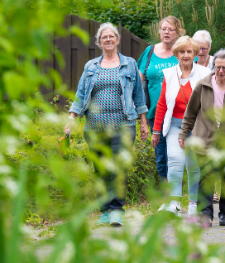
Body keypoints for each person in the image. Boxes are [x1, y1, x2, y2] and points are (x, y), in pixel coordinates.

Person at [65, 23, 149, 227]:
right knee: (101, 169)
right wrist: (71, 118)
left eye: (112, 36)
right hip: (95, 126)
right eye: (105, 37)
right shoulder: (91, 66)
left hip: (124, 123)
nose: (109, 39)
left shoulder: (129, 64)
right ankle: (104, 210)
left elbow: (138, 94)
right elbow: (81, 94)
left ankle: (116, 209)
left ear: (118, 40)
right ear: (99, 41)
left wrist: (144, 122)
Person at [179, 49, 225, 227]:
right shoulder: (203, 85)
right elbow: (190, 113)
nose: (220, 71)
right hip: (205, 138)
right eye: (218, 67)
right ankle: (205, 214)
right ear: (213, 67)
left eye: (224, 68)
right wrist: (183, 134)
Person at [151, 36, 211, 217]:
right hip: (175, 126)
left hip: (198, 126)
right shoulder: (169, 74)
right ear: (176, 54)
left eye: (189, 52)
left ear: (195, 54)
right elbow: (162, 103)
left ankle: (193, 203)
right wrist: (156, 130)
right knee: (174, 161)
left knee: (193, 165)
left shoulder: (204, 73)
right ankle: (174, 203)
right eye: (182, 52)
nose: (185, 55)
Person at [138, 16, 183, 181]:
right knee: (160, 153)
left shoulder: (182, 52)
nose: (167, 32)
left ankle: (175, 187)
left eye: (171, 29)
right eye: (164, 29)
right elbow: (139, 79)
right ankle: (166, 188)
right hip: (155, 112)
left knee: (175, 152)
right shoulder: (150, 52)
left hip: (178, 113)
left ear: (177, 33)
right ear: (159, 31)